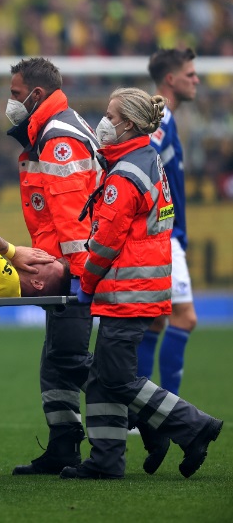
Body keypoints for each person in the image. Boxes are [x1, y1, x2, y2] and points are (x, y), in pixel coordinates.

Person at [61, 87, 222, 479]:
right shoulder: (145, 161)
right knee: (102, 377)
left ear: (128, 123)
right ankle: (105, 460)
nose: (104, 121)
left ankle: (193, 425)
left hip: (126, 291)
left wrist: (87, 279)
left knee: (115, 378)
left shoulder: (126, 173)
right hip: (141, 288)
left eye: (110, 114)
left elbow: (104, 243)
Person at [4, 57, 101, 475]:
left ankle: (170, 421)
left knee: (68, 359)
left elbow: (72, 218)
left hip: (76, 270)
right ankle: (63, 445)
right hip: (68, 266)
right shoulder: (52, 129)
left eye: (14, 94)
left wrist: (80, 276)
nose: (10, 103)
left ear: (35, 94)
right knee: (55, 361)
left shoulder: (58, 138)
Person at [137, 48, 201, 396]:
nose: (197, 81)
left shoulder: (166, 119)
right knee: (184, 318)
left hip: (163, 233)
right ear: (171, 79)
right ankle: (171, 410)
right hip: (164, 231)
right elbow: (143, 163)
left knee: (157, 319)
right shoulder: (159, 120)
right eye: (190, 75)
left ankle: (138, 412)